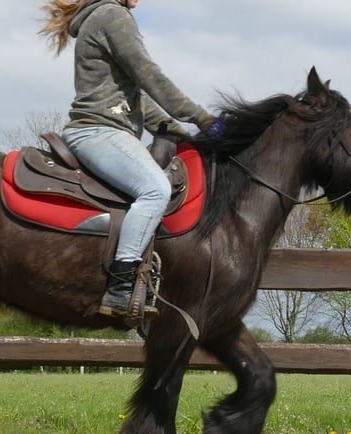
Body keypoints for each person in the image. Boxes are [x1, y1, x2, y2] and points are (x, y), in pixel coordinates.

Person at [39, 0, 224, 320]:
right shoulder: (112, 15)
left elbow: (138, 101)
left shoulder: (104, 16)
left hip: (110, 131)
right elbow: (150, 76)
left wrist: (181, 133)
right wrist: (204, 119)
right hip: (99, 132)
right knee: (155, 190)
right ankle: (120, 286)